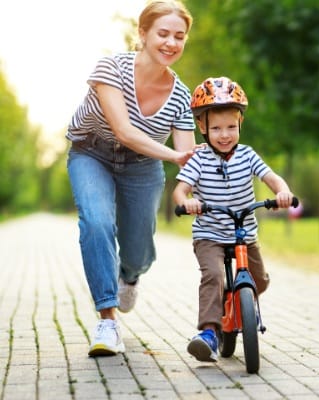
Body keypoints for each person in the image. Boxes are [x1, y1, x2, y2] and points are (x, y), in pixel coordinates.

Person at [66, 0, 195, 357]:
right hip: (91, 153)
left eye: (179, 37)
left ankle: (131, 276)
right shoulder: (111, 67)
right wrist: (173, 155)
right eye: (163, 33)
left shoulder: (182, 96)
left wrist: (198, 190)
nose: (171, 43)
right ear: (142, 33)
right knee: (96, 222)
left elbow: (190, 158)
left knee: (138, 247)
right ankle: (107, 321)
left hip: (142, 165)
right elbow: (123, 131)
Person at [172, 77, 294, 362]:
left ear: (240, 122)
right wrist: (187, 202)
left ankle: (238, 306)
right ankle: (209, 334)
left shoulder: (248, 155)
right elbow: (179, 190)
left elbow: (271, 178)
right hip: (210, 235)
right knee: (213, 276)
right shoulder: (199, 160)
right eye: (216, 128)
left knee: (260, 281)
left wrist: (283, 192)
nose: (224, 134)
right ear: (202, 128)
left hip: (244, 233)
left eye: (230, 127)